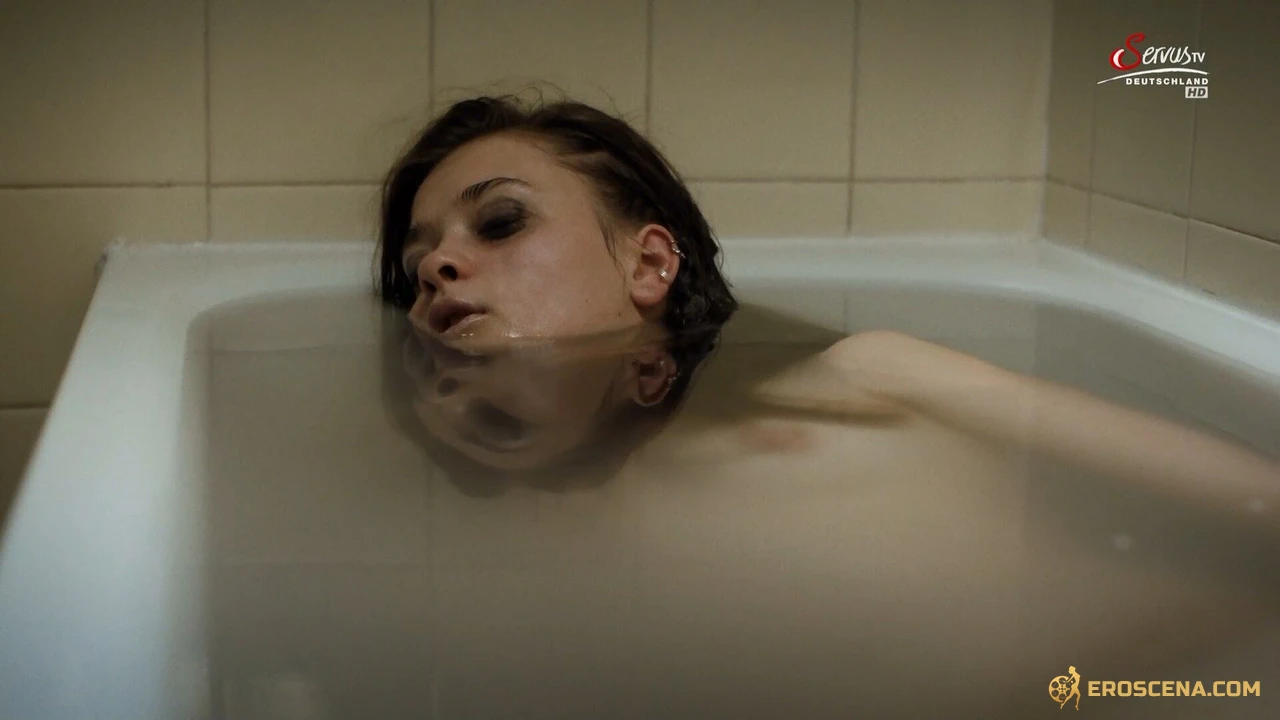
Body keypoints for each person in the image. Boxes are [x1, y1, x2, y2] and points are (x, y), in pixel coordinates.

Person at [375, 94, 1279, 715]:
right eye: (419, 270)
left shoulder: (865, 375)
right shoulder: (533, 541)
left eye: (501, 222)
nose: (440, 268)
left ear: (650, 263)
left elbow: (1258, 502)